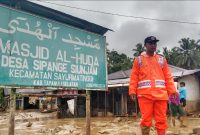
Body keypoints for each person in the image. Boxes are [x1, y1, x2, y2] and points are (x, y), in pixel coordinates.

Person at [129, 36, 177, 135]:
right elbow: (134, 76)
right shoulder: (138, 60)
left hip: (161, 95)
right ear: (145, 45)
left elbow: (168, 76)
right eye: (150, 43)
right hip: (145, 95)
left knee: (161, 119)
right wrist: (132, 90)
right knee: (146, 120)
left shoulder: (162, 59)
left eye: (154, 43)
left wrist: (172, 91)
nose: (153, 45)